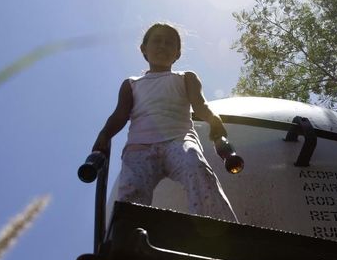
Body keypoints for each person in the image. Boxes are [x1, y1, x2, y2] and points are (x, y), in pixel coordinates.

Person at [91, 22, 237, 222]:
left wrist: (214, 120)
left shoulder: (186, 77)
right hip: (140, 146)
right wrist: (104, 134)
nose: (162, 46)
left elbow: (200, 105)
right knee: (132, 189)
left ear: (177, 53)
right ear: (144, 49)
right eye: (157, 41)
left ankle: (218, 228)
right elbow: (120, 114)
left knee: (197, 168)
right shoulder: (132, 84)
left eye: (169, 43)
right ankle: (127, 235)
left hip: (179, 141)